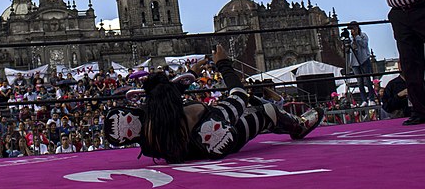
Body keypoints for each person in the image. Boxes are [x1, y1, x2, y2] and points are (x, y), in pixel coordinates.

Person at [104, 45, 324, 163]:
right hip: (213, 139)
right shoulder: (194, 112)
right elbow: (238, 96)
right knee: (266, 111)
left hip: (175, 151)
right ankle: (298, 125)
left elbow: (165, 98)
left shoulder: (148, 120)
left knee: (241, 111)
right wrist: (224, 64)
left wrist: (191, 74)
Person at [347, 22, 376, 106]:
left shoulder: (363, 35)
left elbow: (364, 45)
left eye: (353, 29)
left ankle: (371, 98)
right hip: (354, 62)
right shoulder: (350, 39)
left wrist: (357, 37)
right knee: (359, 82)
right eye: (351, 29)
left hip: (364, 60)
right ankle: (364, 100)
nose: (352, 31)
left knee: (367, 80)